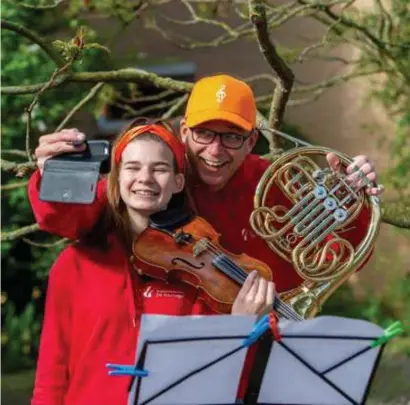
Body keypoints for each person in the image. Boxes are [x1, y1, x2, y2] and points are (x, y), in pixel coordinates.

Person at [29, 74, 382, 295]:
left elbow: (340, 259)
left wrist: (351, 204)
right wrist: (55, 175)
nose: (215, 150)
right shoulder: (157, 177)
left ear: (251, 140)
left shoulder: (277, 181)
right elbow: (67, 219)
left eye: (231, 136)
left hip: (271, 337)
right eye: (204, 133)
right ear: (184, 131)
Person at [31, 119, 274, 405]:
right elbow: (51, 378)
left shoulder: (202, 273)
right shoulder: (73, 264)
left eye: (159, 168)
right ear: (117, 178)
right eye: (132, 167)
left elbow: (224, 385)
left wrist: (240, 327)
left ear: (177, 182)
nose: (145, 177)